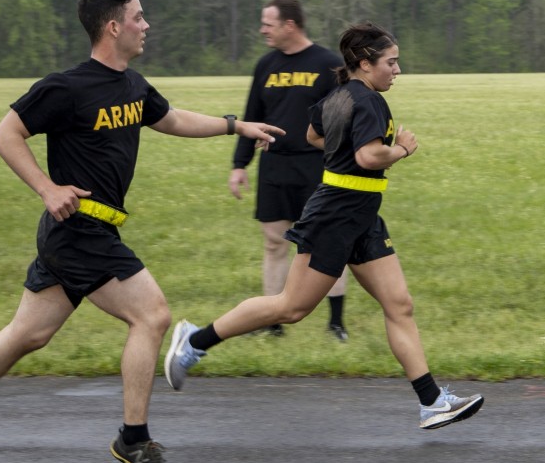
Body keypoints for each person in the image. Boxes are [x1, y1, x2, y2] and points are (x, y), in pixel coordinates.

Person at [0, 0, 284, 463]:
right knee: (153, 316)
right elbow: (6, 134)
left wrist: (235, 125)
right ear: (113, 27)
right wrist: (47, 188)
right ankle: (133, 439)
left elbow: (171, 118)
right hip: (79, 232)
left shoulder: (132, 86)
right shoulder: (67, 87)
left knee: (29, 334)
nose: (146, 24)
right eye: (138, 16)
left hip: (84, 233)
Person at [164, 22, 484, 430]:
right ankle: (194, 341)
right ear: (366, 64)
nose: (397, 70)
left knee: (399, 304)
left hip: (361, 214)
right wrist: (401, 149)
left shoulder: (340, 95)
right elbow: (370, 158)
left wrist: (349, 151)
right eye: (391, 62)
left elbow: (315, 135)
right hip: (337, 214)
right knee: (291, 308)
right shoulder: (368, 102)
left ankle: (432, 401)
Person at [229, 0, 352, 341]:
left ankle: (336, 323)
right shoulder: (265, 65)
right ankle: (273, 323)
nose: (262, 29)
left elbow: (345, 118)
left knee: (326, 243)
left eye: (268, 23)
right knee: (273, 243)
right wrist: (240, 165)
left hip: (317, 167)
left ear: (290, 25)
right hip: (274, 167)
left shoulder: (327, 63)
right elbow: (250, 116)